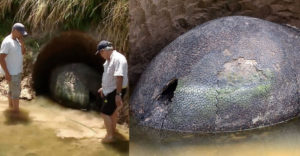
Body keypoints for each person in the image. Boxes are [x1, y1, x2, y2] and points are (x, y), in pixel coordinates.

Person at [96, 40, 128, 143]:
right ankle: (112, 131)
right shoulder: (109, 59)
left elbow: (119, 77)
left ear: (103, 51)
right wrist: (103, 88)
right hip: (110, 90)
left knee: (104, 113)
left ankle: (110, 136)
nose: (101, 56)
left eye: (100, 53)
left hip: (114, 91)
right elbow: (109, 76)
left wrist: (118, 94)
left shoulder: (118, 59)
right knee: (113, 113)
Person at [0, 23, 27, 112]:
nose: (22, 35)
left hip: (16, 71)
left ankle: (11, 108)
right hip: (12, 72)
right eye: (21, 33)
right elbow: (1, 58)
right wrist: (7, 73)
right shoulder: (8, 42)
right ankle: (16, 114)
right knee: (16, 94)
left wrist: (22, 43)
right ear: (15, 31)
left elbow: (23, 53)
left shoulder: (17, 40)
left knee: (12, 91)